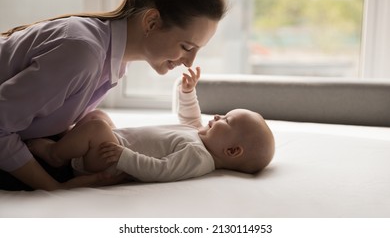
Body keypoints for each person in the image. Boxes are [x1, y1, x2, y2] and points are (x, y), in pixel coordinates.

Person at [0, 0, 227, 190]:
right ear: (151, 22)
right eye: (187, 47)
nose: (189, 62)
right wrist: (55, 188)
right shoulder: (83, 54)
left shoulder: (111, 61)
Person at [27, 67, 275, 186]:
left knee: (97, 129)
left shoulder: (198, 157)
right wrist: (187, 92)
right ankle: (73, 142)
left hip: (111, 158)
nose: (219, 116)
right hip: (115, 145)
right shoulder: (200, 137)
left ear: (232, 151)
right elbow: (190, 119)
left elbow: (160, 170)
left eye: (226, 120)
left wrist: (125, 156)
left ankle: (56, 154)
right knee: (99, 117)